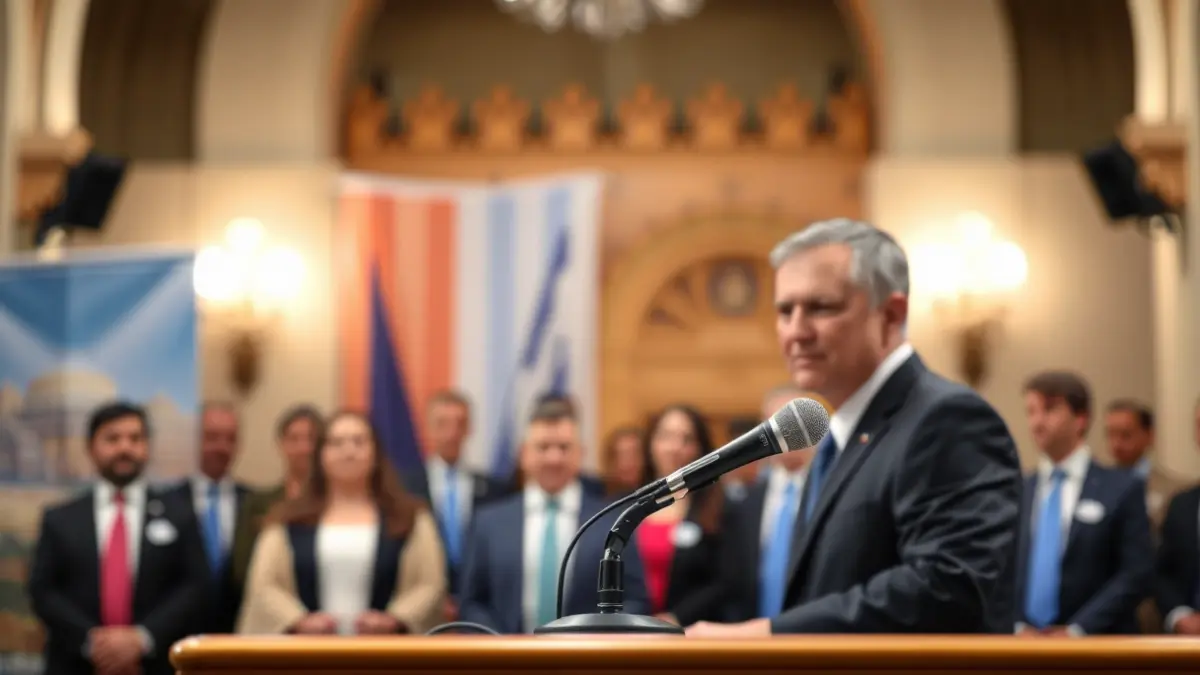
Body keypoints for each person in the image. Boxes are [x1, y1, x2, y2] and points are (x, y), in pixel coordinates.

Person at [686, 218, 1022, 635]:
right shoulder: (837, 435)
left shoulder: (948, 419)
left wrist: (770, 634)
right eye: (784, 310)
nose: (795, 331)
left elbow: (947, 586)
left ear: (891, 314)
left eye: (821, 307)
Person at [28, 401, 208, 675]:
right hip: (77, 664)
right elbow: (43, 591)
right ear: (91, 447)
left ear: (147, 447)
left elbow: (194, 585)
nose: (125, 448)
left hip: (155, 664)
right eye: (112, 438)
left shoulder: (180, 515)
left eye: (135, 438)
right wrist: (95, 644)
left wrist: (142, 639)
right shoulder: (59, 519)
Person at [237, 411, 446, 635]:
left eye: (359, 441)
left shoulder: (410, 518)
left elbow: (430, 584)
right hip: (305, 657)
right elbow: (264, 585)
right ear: (320, 456)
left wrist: (394, 618)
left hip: (387, 656)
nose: (349, 451)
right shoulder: (287, 520)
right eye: (336, 443)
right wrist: (298, 620)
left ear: (375, 454)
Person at [458, 398, 651, 633]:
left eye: (564, 447)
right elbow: (471, 602)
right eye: (543, 447)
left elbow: (634, 600)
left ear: (581, 453)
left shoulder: (612, 520)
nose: (554, 458)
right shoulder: (488, 523)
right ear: (524, 454)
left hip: (588, 663)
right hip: (506, 663)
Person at [1015, 372, 1152, 635]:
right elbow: (1000, 569)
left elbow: (1136, 572)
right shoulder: (1019, 489)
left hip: (1097, 646)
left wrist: (1077, 630)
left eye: (1049, 410)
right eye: (1030, 412)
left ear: (1080, 418)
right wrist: (1018, 625)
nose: (1037, 422)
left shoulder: (1121, 488)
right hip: (1023, 645)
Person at [720, 384, 815, 622]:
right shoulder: (744, 503)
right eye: (775, 424)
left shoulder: (828, 494)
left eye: (795, 423)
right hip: (752, 643)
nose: (786, 434)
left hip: (816, 640)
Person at [636, 405, 728, 626]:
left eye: (686, 439)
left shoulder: (717, 507)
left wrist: (675, 618)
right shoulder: (627, 506)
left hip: (692, 635)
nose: (675, 448)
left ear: (700, 449)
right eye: (665, 437)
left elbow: (725, 582)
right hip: (631, 633)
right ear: (651, 444)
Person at [165, 401, 252, 633]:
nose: (221, 447)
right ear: (195, 440)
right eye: (212, 437)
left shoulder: (254, 504)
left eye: (230, 438)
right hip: (179, 635)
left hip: (239, 635)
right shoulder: (166, 503)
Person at [423, 390, 508, 619]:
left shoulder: (494, 490)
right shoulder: (407, 488)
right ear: (429, 428)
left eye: (459, 423)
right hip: (423, 608)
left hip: (479, 607)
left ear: (470, 428)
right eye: (442, 423)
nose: (452, 433)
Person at [229, 404, 323, 588]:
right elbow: (242, 568)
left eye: (311, 439)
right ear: (281, 444)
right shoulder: (257, 503)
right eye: (294, 439)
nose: (304, 447)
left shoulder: (335, 502)